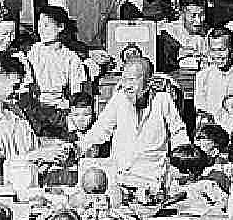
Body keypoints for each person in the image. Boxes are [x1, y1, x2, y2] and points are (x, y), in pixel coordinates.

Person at [78, 57, 188, 188]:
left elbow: (178, 133)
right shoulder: (119, 99)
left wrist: (183, 163)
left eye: (132, 80)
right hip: (122, 176)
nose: (126, 85)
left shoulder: (162, 100)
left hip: (154, 177)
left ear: (148, 82)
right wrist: (79, 147)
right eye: (124, 79)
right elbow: (100, 129)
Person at [27, 6, 87, 114]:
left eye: (46, 26)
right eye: (39, 26)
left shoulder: (71, 57)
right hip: (36, 107)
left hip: (61, 108)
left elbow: (76, 91)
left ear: (60, 27)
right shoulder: (34, 51)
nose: (41, 30)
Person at [159, 0, 209, 69]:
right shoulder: (168, 33)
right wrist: (178, 53)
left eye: (201, 15)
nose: (198, 21)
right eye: (193, 16)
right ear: (182, 14)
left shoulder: (208, 32)